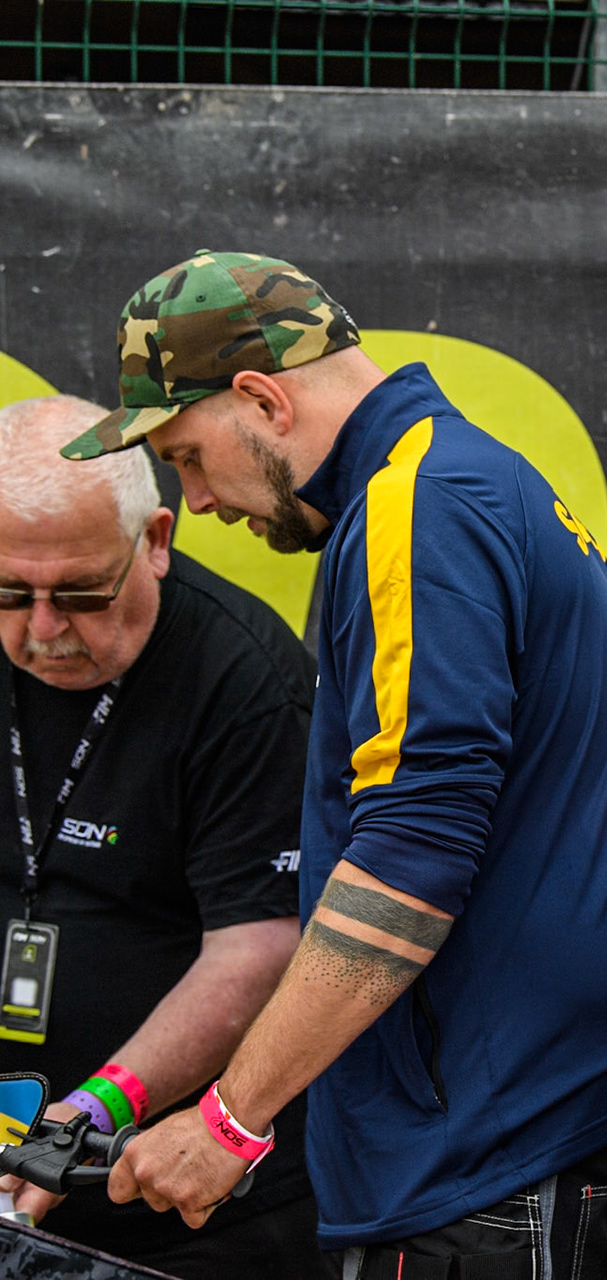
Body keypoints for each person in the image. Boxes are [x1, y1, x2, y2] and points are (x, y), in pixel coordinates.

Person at [62, 251, 607, 1279]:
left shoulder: (418, 506)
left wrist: (230, 1117)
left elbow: (413, 854)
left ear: (262, 396)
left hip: (500, 1158)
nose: (200, 500)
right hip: (545, 1137)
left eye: (186, 455)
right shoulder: (467, 477)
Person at [0, 395, 330, 1278]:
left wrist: (102, 1106)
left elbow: (260, 943)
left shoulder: (241, 676)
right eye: (8, 591)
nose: (41, 629)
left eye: (78, 592)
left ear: (154, 539)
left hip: (198, 1212)